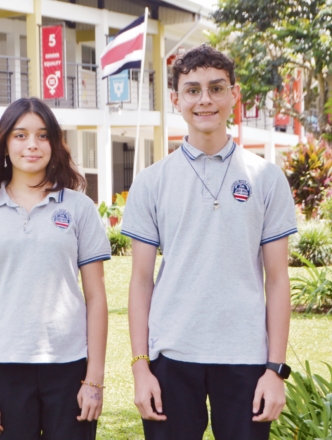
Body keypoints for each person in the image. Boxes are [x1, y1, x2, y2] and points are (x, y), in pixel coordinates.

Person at [122, 44, 297, 440]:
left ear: (234, 95)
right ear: (176, 100)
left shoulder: (266, 178)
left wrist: (275, 370)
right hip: (171, 357)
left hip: (246, 358)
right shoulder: (152, 181)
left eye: (217, 88)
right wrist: (140, 367)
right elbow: (140, 280)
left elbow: (277, 279)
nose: (205, 100)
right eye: (193, 89)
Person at [0, 97, 111, 439]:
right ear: (5, 143)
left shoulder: (80, 208)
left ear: (55, 144)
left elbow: (97, 299)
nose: (32, 145)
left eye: (43, 136)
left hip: (70, 367)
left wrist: (94, 380)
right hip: (4, 368)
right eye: (20, 135)